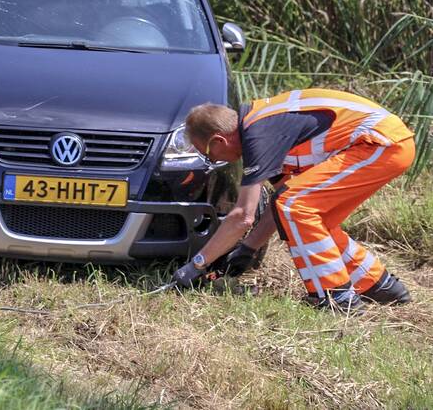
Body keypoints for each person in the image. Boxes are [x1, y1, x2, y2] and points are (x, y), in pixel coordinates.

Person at [172, 88, 415, 311]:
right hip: (386, 144)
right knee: (308, 214)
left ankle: (335, 297)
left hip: (382, 143)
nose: (213, 161)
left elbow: (243, 216)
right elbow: (278, 202)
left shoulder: (259, 135)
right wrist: (247, 250)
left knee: (295, 206)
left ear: (219, 141)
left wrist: (197, 265)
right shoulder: (257, 129)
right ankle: (378, 284)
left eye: (207, 153)